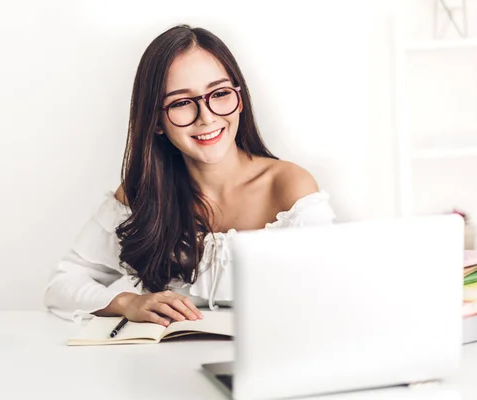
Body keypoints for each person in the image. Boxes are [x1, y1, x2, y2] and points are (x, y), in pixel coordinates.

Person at [43, 25, 335, 326]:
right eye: (182, 102)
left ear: (240, 100)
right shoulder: (141, 196)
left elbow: (329, 294)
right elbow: (62, 286)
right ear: (157, 121)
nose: (206, 117)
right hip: (164, 365)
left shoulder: (289, 187)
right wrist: (129, 302)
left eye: (219, 93)